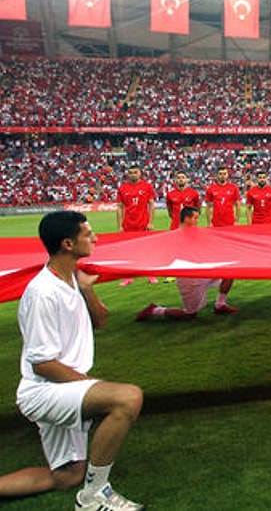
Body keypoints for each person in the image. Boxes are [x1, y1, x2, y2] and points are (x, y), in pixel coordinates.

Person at [0, 211, 145, 510]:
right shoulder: (42, 293)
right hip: (44, 389)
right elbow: (42, 364)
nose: (95, 238)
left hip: (61, 385)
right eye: (88, 234)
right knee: (127, 398)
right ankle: (94, 496)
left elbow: (100, 321)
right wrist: (91, 384)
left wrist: (87, 290)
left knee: (67, 476)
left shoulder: (72, 280)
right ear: (67, 243)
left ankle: (84, 488)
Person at [135, 207, 237, 320]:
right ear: (187, 219)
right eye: (195, 218)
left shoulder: (196, 233)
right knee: (190, 314)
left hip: (202, 272)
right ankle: (155, 310)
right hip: (188, 279)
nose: (197, 221)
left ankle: (220, 305)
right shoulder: (175, 237)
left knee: (229, 272)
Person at [116, 163, 158, 287]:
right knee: (128, 251)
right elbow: (120, 207)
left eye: (135, 172)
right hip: (128, 224)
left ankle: (151, 274)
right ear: (127, 174)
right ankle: (128, 277)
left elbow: (151, 204)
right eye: (130, 172)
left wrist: (151, 222)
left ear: (140, 173)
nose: (133, 175)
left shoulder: (147, 186)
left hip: (143, 223)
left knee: (147, 249)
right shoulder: (123, 188)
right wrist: (120, 225)